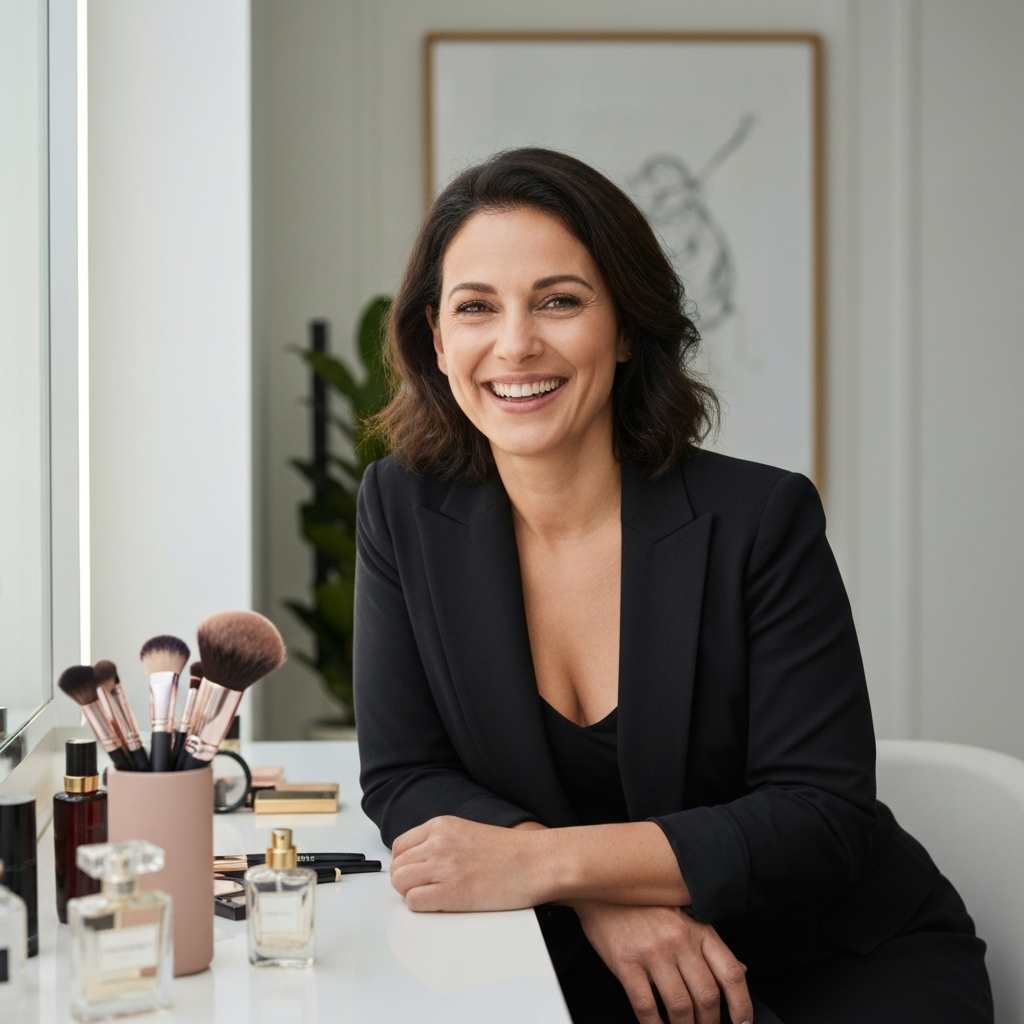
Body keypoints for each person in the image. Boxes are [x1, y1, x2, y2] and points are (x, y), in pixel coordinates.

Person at [352, 148, 993, 1024]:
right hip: (591, 968)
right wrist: (601, 903)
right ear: (436, 338)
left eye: (559, 300)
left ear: (623, 329)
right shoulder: (402, 509)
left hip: (833, 959)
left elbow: (822, 816)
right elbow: (406, 772)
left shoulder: (760, 517)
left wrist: (542, 865)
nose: (515, 343)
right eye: (476, 308)